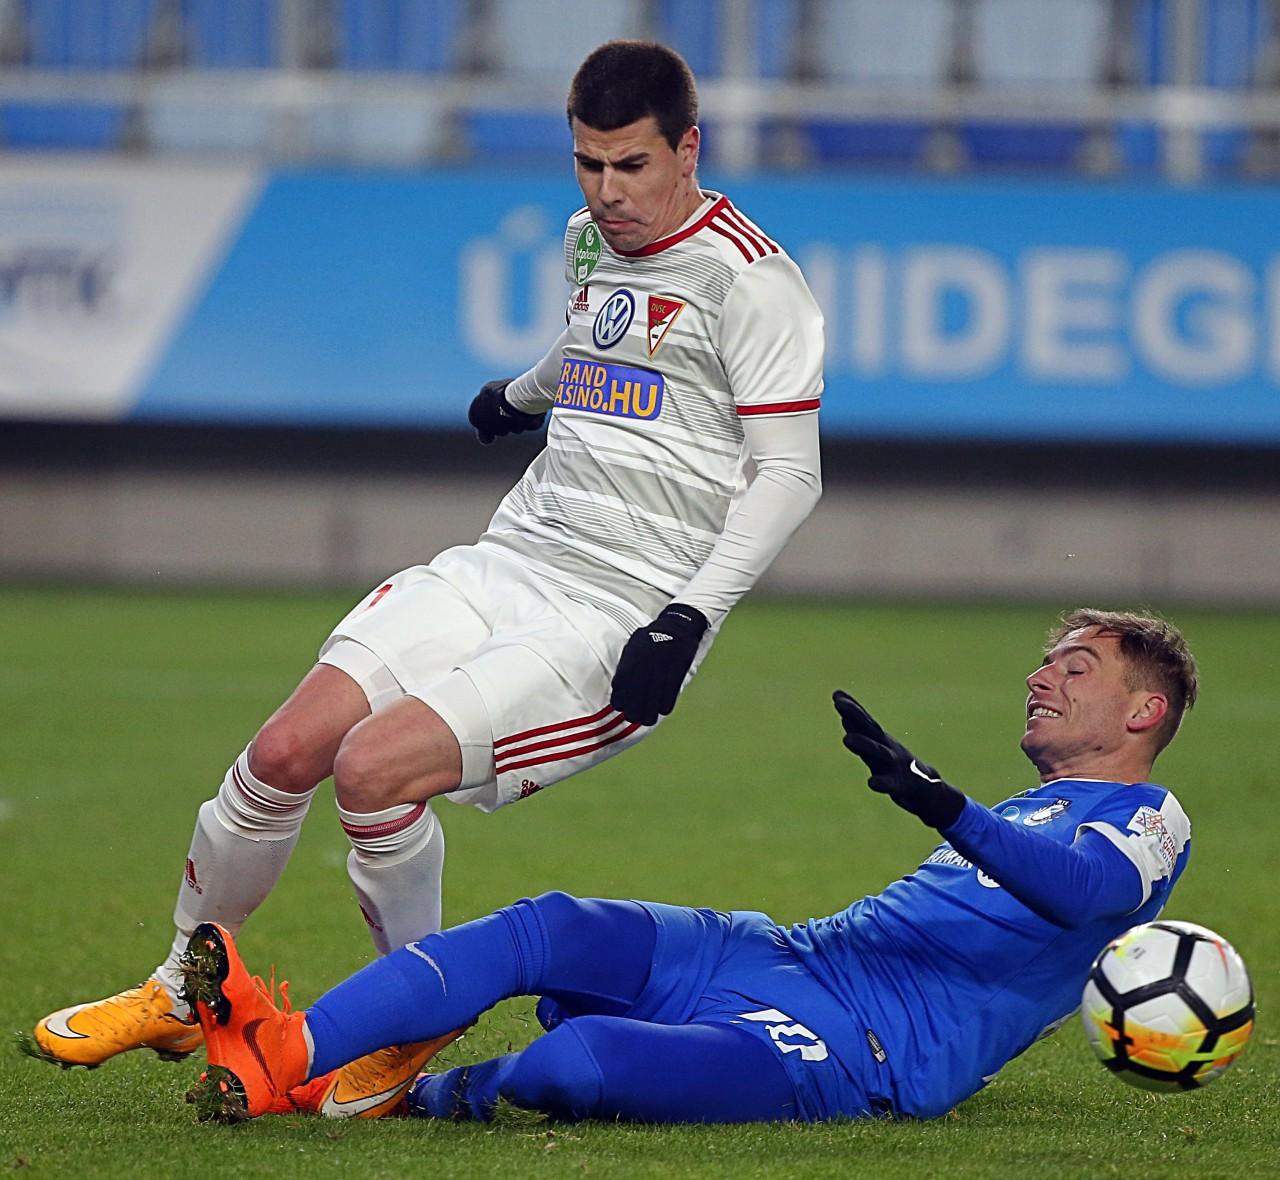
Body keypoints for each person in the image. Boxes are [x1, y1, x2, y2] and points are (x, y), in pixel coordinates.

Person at [28, 38, 824, 1116]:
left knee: (372, 771)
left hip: (621, 613)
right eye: (587, 163)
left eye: (631, 165)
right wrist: (522, 393)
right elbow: (594, 341)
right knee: (282, 753)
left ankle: (414, 1015)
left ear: (689, 149)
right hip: (509, 558)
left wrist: (685, 618)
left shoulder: (755, 283)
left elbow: (789, 475)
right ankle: (182, 983)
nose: (606, 190)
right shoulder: (588, 238)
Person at [179, 608, 1196, 1124]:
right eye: (1045, 661)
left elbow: (1082, 893)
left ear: (1143, 712)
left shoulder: (1149, 819)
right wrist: (954, 807)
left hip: (858, 1051)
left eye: (1074, 668)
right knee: (549, 926)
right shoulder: (1031, 805)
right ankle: (283, 1055)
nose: (1040, 677)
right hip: (789, 953)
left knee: (578, 1065)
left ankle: (416, 1095)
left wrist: (939, 801)